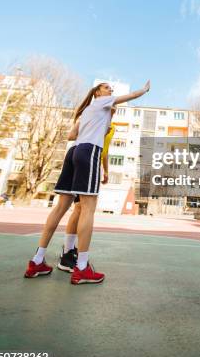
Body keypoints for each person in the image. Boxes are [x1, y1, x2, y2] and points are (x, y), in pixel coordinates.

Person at [24, 80, 150, 284]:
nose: (111, 90)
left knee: (60, 208)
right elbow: (132, 96)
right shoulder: (102, 102)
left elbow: (71, 135)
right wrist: (143, 90)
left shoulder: (89, 111)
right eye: (107, 87)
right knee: (88, 208)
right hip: (89, 151)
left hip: (73, 152)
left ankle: (37, 260)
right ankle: (82, 267)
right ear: (98, 92)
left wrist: (106, 118)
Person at [57, 120, 115, 273]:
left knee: (79, 207)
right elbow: (77, 137)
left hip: (92, 160)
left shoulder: (111, 127)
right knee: (82, 208)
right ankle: (76, 259)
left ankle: (69, 252)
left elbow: (105, 151)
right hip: (85, 158)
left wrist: (106, 170)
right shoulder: (95, 118)